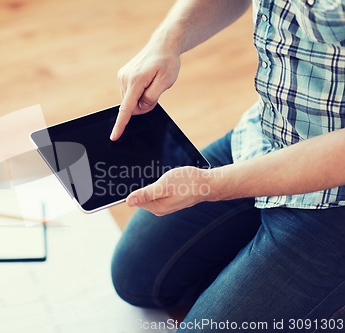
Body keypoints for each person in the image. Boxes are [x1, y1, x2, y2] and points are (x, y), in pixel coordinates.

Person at [110, 0, 345, 331]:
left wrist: (211, 185)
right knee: (136, 277)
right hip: (266, 134)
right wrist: (167, 39)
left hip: (336, 195)